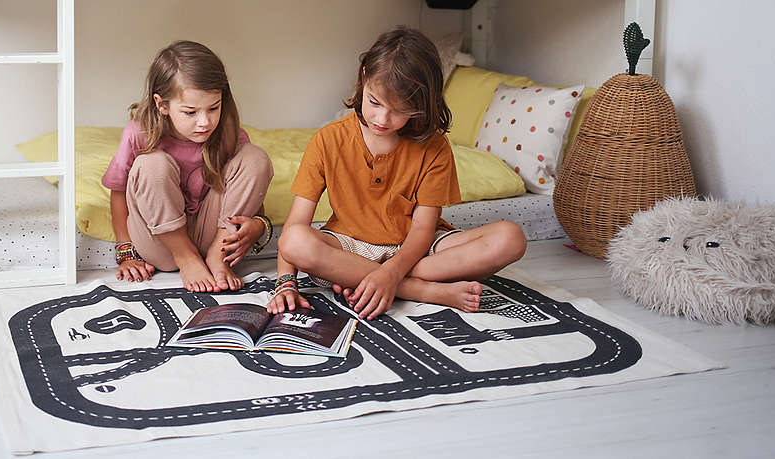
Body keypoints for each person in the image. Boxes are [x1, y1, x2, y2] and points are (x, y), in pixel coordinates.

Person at [268, 27, 526, 319]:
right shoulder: (328, 140)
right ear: (363, 77)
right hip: (348, 247)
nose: (382, 119)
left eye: (399, 110)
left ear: (421, 104)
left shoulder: (435, 147)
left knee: (510, 238)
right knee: (293, 241)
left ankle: (375, 280)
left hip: (417, 250)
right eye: (375, 102)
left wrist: (391, 272)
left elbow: (422, 230)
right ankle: (423, 291)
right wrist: (285, 284)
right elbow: (295, 226)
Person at [102, 40, 274, 293]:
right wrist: (126, 252)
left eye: (213, 108)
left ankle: (216, 257)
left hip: (216, 238)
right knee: (152, 164)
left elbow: (247, 196)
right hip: (159, 244)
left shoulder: (228, 136)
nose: (204, 122)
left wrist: (258, 225)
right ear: (162, 105)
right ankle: (186, 257)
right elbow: (118, 193)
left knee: (255, 157)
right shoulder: (139, 133)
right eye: (191, 112)